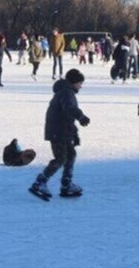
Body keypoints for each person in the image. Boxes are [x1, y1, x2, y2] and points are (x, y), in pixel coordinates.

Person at [29, 69, 90, 200]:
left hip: (63, 131)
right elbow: (69, 108)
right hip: (58, 132)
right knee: (61, 158)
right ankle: (40, 182)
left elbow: (67, 116)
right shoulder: (66, 93)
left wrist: (74, 133)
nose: (81, 86)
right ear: (74, 82)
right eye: (80, 83)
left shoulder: (66, 92)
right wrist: (81, 116)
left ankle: (66, 184)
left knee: (71, 155)